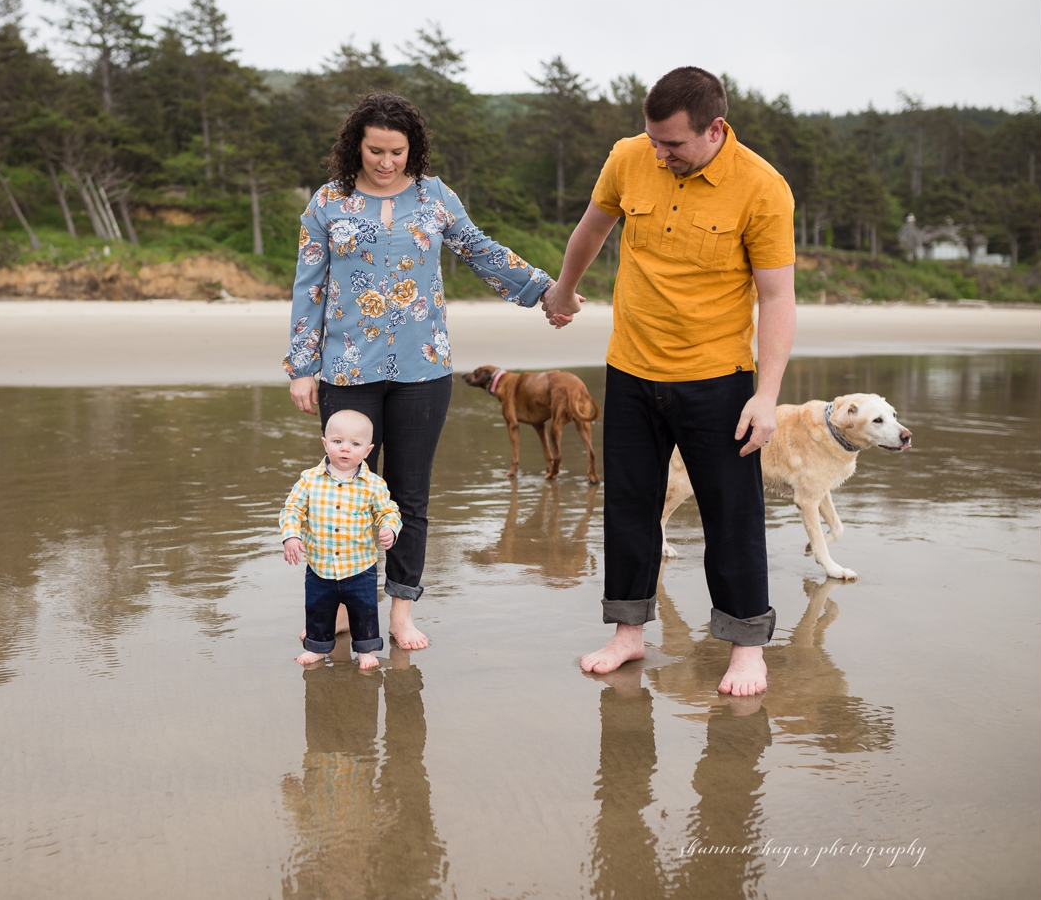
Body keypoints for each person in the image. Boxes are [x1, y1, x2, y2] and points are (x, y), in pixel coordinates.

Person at [541, 66, 797, 698]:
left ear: (714, 129)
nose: (659, 153)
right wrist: (564, 289)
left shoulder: (763, 188)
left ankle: (745, 648)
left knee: (730, 515)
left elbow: (778, 297)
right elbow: (593, 228)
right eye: (653, 140)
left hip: (718, 379)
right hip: (630, 367)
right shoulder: (630, 157)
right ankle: (628, 634)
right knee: (629, 505)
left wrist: (766, 397)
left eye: (673, 145)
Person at [284, 91, 555, 653]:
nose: (386, 162)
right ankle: (341, 610)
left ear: (414, 150)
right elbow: (309, 285)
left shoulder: (435, 197)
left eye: (397, 152)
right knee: (347, 487)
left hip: (423, 368)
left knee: (409, 495)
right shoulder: (328, 202)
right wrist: (303, 367)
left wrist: (543, 290)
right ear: (355, 146)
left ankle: (401, 611)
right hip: (347, 368)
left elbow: (478, 250)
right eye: (376, 150)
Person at [282, 409, 402, 670]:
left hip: (360, 566)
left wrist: (389, 528)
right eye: (338, 442)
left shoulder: (373, 484)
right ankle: (316, 648)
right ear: (325, 444)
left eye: (355, 444)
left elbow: (388, 510)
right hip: (320, 565)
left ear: (368, 450)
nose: (345, 449)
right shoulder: (309, 480)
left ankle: (366, 649)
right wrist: (291, 535)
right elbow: (292, 509)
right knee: (318, 609)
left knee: (364, 610)